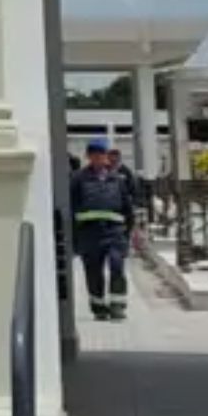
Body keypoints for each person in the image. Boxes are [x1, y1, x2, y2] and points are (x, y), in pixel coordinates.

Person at [68, 135, 143, 321]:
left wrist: (129, 233)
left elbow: (127, 208)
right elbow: (71, 207)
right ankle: (99, 307)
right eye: (93, 153)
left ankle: (117, 306)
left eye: (101, 153)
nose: (97, 157)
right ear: (88, 156)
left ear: (106, 156)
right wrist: (75, 238)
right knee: (93, 272)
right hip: (89, 233)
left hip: (115, 232)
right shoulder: (78, 179)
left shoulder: (117, 179)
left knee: (117, 266)